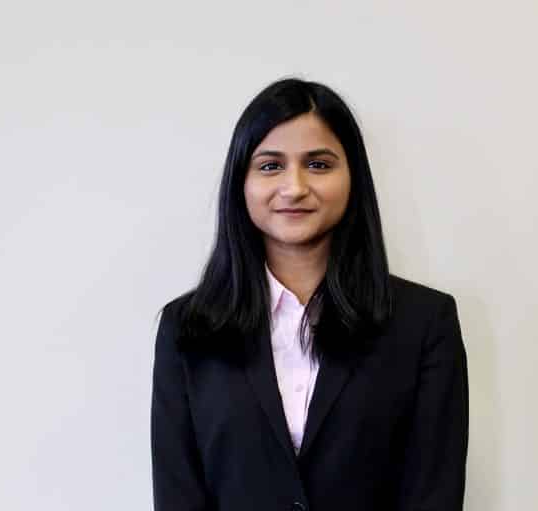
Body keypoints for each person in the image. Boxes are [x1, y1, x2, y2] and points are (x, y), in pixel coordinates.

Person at [151, 77, 469, 511]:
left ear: (353, 177)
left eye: (318, 164)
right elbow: (178, 494)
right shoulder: (187, 328)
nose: (295, 187)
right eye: (270, 166)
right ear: (241, 182)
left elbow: (433, 493)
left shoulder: (424, 324)